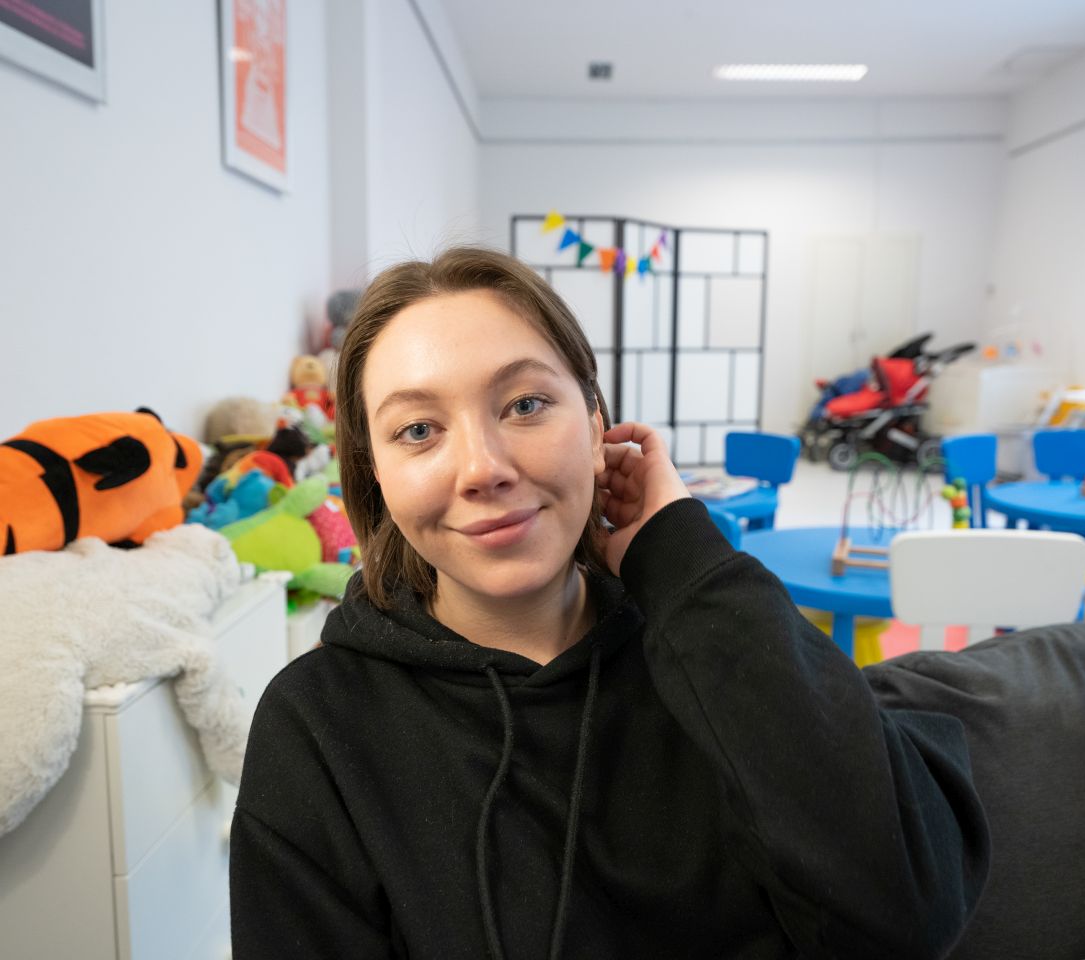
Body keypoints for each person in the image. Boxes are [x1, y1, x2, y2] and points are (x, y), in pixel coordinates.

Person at [229, 247, 990, 959]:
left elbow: (909, 913)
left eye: (525, 404)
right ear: (377, 477)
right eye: (419, 430)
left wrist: (685, 557)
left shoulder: (719, 646)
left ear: (597, 428)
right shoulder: (321, 726)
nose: (483, 468)